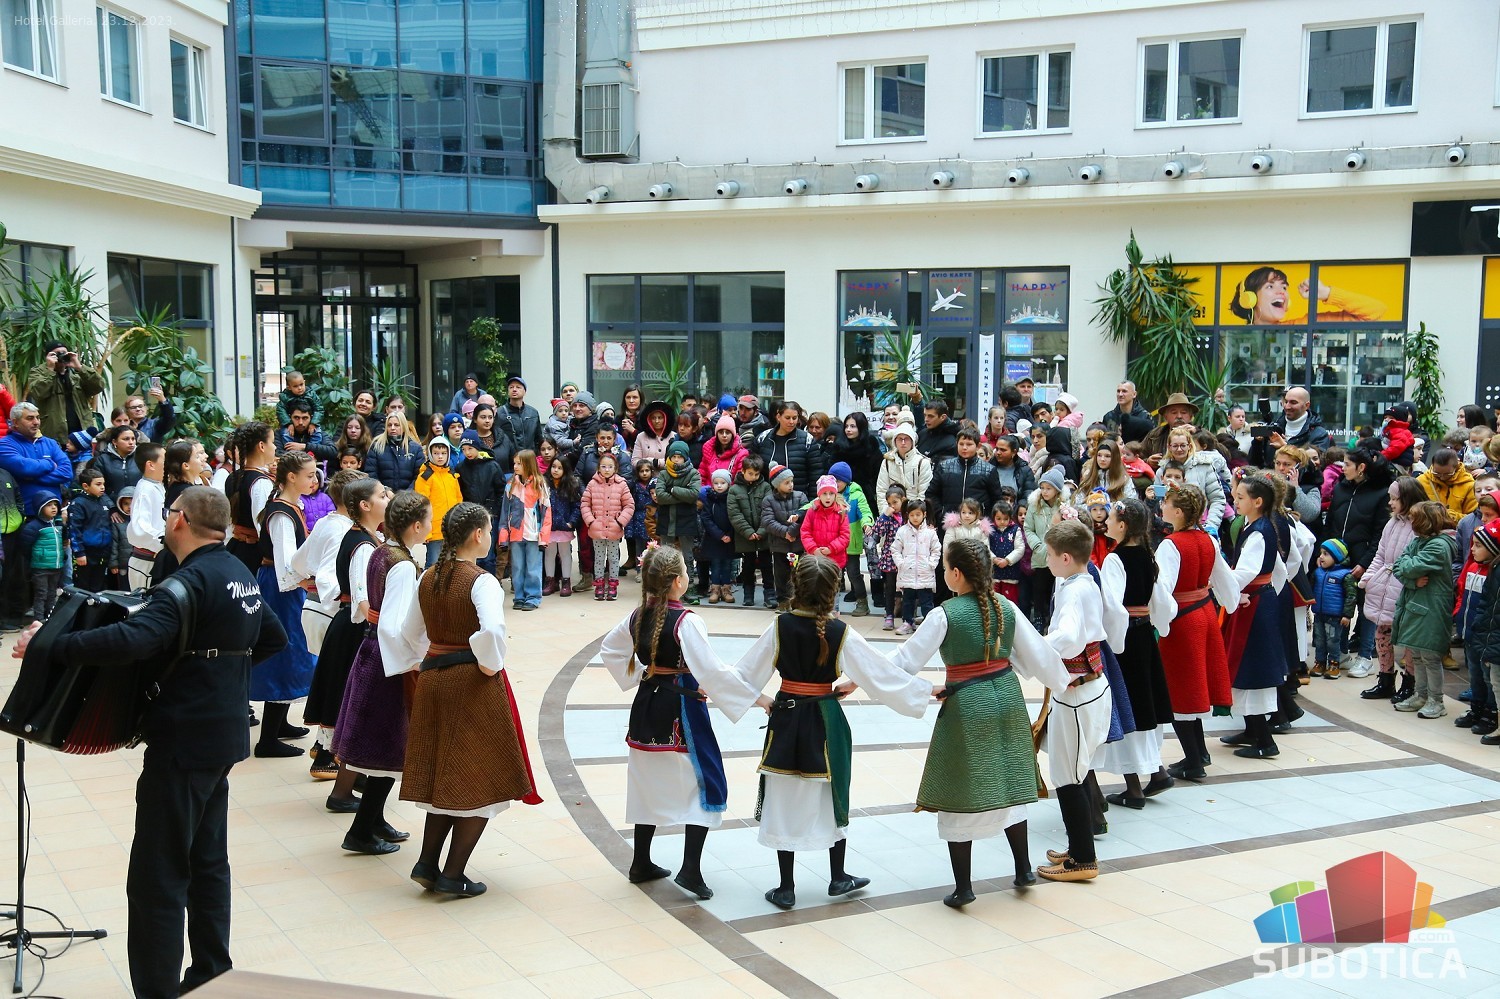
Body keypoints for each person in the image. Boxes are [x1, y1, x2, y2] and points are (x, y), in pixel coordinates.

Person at [15, 486, 286, 997]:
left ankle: (157, 990)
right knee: (207, 863)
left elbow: (131, 639)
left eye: (169, 514)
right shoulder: (237, 573)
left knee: (157, 875)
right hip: (222, 736)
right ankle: (211, 973)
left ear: (179, 520)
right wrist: (218, 676)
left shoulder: (186, 583)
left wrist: (50, 646)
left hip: (183, 741)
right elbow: (272, 639)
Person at [705, 554, 933, 909]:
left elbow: (743, 674)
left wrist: (758, 698)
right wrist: (925, 690)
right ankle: (838, 876)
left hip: (787, 717)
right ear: (832, 592)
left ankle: (786, 887)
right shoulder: (841, 632)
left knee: (784, 793)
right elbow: (881, 673)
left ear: (796, 586)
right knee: (832, 792)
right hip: (826, 718)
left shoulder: (779, 626)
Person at [399, 502, 544, 897]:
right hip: (470, 682)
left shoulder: (428, 575)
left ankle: (427, 863)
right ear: (478, 534)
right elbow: (493, 630)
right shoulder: (482, 581)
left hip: (433, 679)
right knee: (479, 774)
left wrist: (430, 657)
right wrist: (487, 664)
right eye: (490, 530)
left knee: (443, 775)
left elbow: (409, 632)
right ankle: (452, 873)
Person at [597, 544, 740, 899]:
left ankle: (641, 862)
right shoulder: (688, 621)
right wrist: (754, 697)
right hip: (682, 711)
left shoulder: (636, 615)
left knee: (646, 782)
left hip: (647, 705)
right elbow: (712, 670)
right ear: (677, 581)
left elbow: (610, 650)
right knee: (702, 783)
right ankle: (690, 869)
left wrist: (642, 673)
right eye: (687, 572)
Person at [333, 489, 431, 855]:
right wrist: (413, 662)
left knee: (385, 745)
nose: (432, 525)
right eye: (429, 519)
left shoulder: (381, 551)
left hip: (372, 653)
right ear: (416, 525)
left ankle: (374, 820)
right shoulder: (402, 565)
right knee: (388, 746)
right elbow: (393, 625)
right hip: (388, 664)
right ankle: (360, 831)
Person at [1037, 518, 1115, 882]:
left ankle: (1083, 859)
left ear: (1066, 557)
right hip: (1085, 688)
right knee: (1074, 771)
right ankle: (1078, 847)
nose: (1047, 560)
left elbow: (1067, 637)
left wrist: (1036, 648)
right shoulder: (1083, 581)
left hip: (1078, 694)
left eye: (1051, 554)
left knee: (1069, 776)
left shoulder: (1073, 590)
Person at [1093, 498, 1175, 807]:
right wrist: (1159, 625)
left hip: (1125, 639)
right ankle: (1156, 772)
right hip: (1144, 637)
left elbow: (1113, 606)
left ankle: (1134, 788)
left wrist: (1111, 640)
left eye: (1111, 519)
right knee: (1144, 703)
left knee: (1127, 706)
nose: (1106, 523)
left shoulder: (1115, 559)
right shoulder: (1147, 556)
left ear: (1123, 526)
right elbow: (1162, 600)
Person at [306, 478, 385, 791]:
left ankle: (344, 764)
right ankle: (336, 763)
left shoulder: (366, 537)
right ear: (365, 505)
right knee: (349, 699)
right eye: (382, 495)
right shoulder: (362, 545)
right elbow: (362, 598)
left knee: (346, 697)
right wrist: (383, 624)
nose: (387, 499)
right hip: (355, 628)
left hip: (351, 625)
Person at [1154, 484, 1236, 780]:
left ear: (1178, 511)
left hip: (1181, 621)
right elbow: (1226, 582)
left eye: (1166, 503)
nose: (1162, 506)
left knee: (1179, 688)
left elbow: (1162, 590)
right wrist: (1229, 602)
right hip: (1204, 615)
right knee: (1194, 685)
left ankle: (1193, 761)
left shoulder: (1171, 544)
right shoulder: (1208, 539)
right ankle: (1199, 753)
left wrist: (1160, 622)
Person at [249, 451, 320, 758]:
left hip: (286, 588)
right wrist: (307, 581)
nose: (314, 480)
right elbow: (285, 565)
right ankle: (267, 739)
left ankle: (280, 723)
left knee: (293, 652)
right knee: (285, 653)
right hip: (280, 590)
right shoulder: (281, 514)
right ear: (291, 477)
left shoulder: (291, 507)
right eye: (309, 475)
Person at [1219, 475, 1287, 760]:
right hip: (1258, 601)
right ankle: (1251, 731)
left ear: (1257, 502)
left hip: (1254, 606)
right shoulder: (1259, 526)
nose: (1235, 501)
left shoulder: (1259, 532)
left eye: (1240, 497)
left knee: (1253, 668)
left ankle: (1265, 740)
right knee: (1246, 667)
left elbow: (1246, 572)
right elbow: (1280, 570)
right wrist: (1268, 593)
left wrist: (1226, 590)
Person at [1391, 502, 1460, 719]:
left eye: (1414, 518)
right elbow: (1398, 566)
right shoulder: (1419, 541)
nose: (1411, 522)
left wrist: (1408, 570)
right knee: (1418, 655)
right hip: (1416, 605)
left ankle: (1436, 700)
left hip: (1432, 609)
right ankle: (1421, 695)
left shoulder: (1439, 545)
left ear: (1425, 520)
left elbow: (1410, 567)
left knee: (1430, 657)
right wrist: (1412, 582)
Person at [289, 469, 365, 656]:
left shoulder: (325, 522)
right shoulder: (344, 531)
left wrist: (309, 586)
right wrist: (343, 610)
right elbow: (326, 578)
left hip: (312, 609)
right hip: (329, 613)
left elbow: (297, 563)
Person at [496, 449, 551, 611]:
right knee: (517, 567)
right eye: (514, 463)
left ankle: (533, 597)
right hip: (515, 533)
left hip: (534, 534)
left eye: (519, 463)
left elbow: (546, 512)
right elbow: (504, 512)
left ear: (528, 464)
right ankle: (519, 596)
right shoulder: (510, 485)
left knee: (533, 567)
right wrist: (503, 537)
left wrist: (544, 537)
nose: (515, 466)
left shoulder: (540, 484)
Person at [27, 341, 106, 445]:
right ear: (48, 356)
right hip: (55, 437)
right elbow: (38, 392)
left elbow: (98, 386)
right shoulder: (38, 372)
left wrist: (80, 367)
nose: (61, 356)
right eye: (56, 354)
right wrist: (50, 370)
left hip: (82, 436)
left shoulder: (76, 373)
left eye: (64, 353)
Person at [223, 422, 276, 574]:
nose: (275, 447)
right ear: (261, 446)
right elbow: (263, 528)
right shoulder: (261, 482)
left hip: (237, 549)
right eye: (272, 442)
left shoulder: (234, 476)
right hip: (255, 556)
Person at [655, 441, 703, 605]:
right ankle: (665, 588)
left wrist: (673, 490)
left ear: (685, 457)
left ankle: (689, 588)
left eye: (679, 457)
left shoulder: (693, 474)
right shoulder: (663, 473)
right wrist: (683, 496)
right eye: (673, 456)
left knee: (688, 556)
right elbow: (660, 496)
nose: (676, 460)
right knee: (665, 556)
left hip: (686, 520)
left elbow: (693, 494)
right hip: (666, 519)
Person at [582, 451, 634, 601]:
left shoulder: (621, 485)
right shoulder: (592, 484)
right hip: (597, 529)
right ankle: (599, 584)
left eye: (610, 467)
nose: (606, 469)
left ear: (615, 468)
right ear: (598, 467)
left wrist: (620, 522)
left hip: (614, 529)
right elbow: (585, 504)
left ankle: (612, 584)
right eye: (603, 466)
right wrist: (591, 521)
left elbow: (629, 505)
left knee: (613, 558)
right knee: (598, 558)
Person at [727, 453, 774, 607]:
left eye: (756, 474)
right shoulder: (734, 490)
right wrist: (748, 531)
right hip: (745, 537)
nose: (753, 477)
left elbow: (768, 511)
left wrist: (761, 531)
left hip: (763, 535)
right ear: (743, 471)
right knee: (748, 566)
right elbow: (734, 514)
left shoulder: (766, 487)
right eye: (750, 473)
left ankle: (770, 594)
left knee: (767, 565)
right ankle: (748, 594)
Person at [1247, 387, 1333, 467]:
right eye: (1286, 401)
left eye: (1293, 402)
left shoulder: (1319, 434)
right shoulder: (1273, 427)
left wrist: (1286, 447)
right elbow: (1254, 464)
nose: (1287, 406)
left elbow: (1316, 468)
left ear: (1307, 405)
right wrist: (1257, 442)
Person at [1310, 540, 1358, 679]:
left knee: (1332, 641)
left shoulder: (1346, 575)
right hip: (1319, 614)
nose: (1321, 557)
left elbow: (1351, 596)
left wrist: (1347, 615)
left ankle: (1334, 664)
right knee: (1319, 640)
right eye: (1321, 553)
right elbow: (1311, 589)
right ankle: (1320, 663)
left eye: (1326, 554)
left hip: (1335, 617)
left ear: (1337, 557)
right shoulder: (1318, 572)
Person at [892, 498, 940, 636]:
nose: (915, 518)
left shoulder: (930, 532)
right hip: (907, 574)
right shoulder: (902, 531)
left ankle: (928, 625)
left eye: (918, 514)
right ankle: (908, 622)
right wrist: (901, 563)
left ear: (924, 514)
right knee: (908, 601)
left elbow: (936, 549)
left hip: (925, 574)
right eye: (912, 515)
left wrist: (931, 563)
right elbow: (895, 549)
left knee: (926, 602)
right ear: (908, 515)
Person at [761, 463, 806, 611]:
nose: (791, 485)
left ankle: (799, 600)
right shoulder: (768, 500)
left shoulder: (800, 496)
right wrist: (785, 533)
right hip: (779, 546)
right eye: (786, 482)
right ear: (776, 484)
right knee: (781, 575)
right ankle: (783, 601)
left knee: (799, 573)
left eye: (792, 481)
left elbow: (804, 515)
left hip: (798, 545)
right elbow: (768, 522)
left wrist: (792, 532)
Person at [414, 437, 462, 568]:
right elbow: (421, 505)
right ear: (430, 454)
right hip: (434, 530)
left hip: (451, 528)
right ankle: (428, 582)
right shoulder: (425, 477)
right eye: (436, 453)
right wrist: (425, 531)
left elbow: (458, 500)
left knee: (450, 563)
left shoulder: (452, 475)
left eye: (443, 453)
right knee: (433, 564)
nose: (440, 456)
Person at [756, 401, 821, 498]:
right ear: (778, 417)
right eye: (787, 418)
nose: (791, 422)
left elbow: (815, 475)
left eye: (794, 418)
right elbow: (755, 469)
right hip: (767, 499)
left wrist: (811, 502)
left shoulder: (808, 440)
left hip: (798, 500)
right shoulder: (763, 438)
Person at [126, 442, 167, 589]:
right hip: (146, 561)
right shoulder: (145, 489)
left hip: (158, 558)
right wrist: (165, 543)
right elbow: (139, 529)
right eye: (165, 460)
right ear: (151, 465)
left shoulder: (159, 486)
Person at [18, 496, 65, 621]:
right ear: (40, 508)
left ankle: (50, 619)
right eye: (49, 505)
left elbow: (63, 543)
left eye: (55, 504)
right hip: (40, 567)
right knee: (41, 594)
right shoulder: (33, 527)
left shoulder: (58, 524)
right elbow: (25, 546)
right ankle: (38, 620)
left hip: (56, 566)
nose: (54, 507)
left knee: (52, 594)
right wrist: (37, 558)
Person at [69, 467, 113, 592]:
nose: (102, 487)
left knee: (98, 586)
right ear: (85, 486)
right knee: (83, 587)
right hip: (86, 552)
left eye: (103, 484)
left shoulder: (104, 501)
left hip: (103, 551)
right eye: (98, 484)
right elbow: (74, 529)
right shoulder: (78, 503)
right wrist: (79, 553)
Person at [543, 456, 582, 596]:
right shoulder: (544, 484)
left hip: (564, 526)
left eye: (560, 468)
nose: (556, 470)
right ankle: (550, 581)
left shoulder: (571, 485)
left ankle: (566, 581)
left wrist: (571, 522)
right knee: (549, 554)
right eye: (554, 467)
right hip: (548, 527)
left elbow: (576, 506)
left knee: (565, 553)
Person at [876, 416, 932, 503]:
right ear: (895, 441)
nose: (903, 442)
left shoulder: (922, 462)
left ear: (912, 441)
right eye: (900, 439)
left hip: (915, 509)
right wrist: (886, 510)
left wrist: (916, 510)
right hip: (892, 509)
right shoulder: (887, 462)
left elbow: (924, 493)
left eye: (906, 439)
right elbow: (881, 491)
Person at [364, 413, 424, 491]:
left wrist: (407, 494)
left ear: (403, 427)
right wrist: (385, 491)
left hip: (409, 495)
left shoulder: (415, 448)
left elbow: (419, 475)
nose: (392, 428)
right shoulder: (376, 446)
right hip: (383, 495)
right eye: (389, 425)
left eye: (396, 425)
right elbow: (371, 474)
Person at [1418, 447, 1478, 522]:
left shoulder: (1469, 485)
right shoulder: (1422, 481)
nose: (1442, 477)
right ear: (1432, 465)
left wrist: (1448, 515)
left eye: (1447, 474)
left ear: (1456, 467)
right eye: (1437, 473)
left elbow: (1472, 518)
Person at [275, 398, 337, 463]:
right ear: (290, 417)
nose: (300, 422)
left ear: (311, 418)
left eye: (305, 418)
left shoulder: (318, 432)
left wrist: (305, 447)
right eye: (296, 418)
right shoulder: (280, 434)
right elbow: (278, 454)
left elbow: (333, 451)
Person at [631, 400, 677, 470]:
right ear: (648, 420)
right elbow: (634, 462)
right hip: (645, 475)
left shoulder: (674, 436)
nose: (657, 421)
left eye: (660, 418)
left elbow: (677, 461)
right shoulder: (641, 437)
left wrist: (657, 462)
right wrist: (650, 463)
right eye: (653, 418)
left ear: (665, 419)